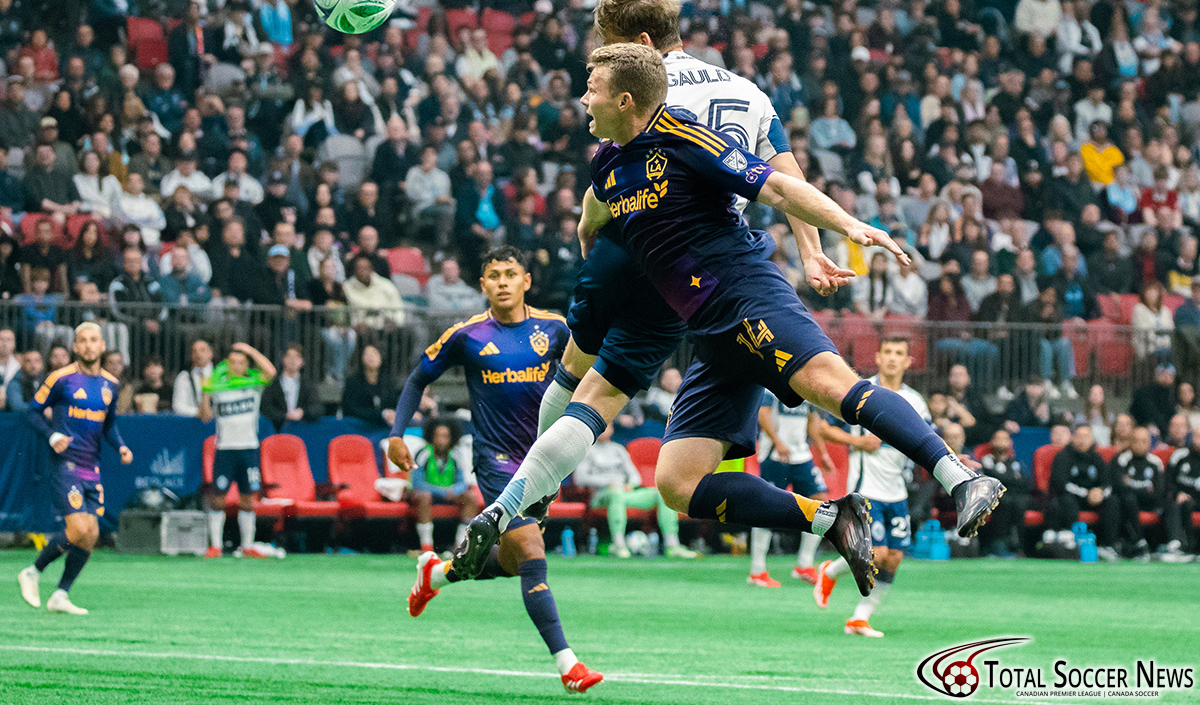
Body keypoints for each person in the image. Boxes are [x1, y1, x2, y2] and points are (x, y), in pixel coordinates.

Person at [461, 40, 1002, 594]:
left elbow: (777, 183)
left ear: (625, 100)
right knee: (678, 482)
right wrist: (585, 232)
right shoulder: (607, 161)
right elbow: (595, 209)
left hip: (747, 296)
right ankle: (833, 518)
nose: (582, 99)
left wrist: (848, 226)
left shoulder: (683, 135)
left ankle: (960, 477)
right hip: (709, 333)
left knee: (834, 388)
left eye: (592, 89)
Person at [387, 247, 603, 693]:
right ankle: (569, 665)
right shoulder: (467, 335)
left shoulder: (557, 328)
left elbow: (590, 376)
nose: (502, 282)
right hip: (497, 461)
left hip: (546, 462)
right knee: (531, 553)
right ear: (482, 285)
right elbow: (417, 379)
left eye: (510, 274)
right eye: (493, 276)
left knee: (509, 561)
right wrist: (396, 433)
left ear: (527, 280)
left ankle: (436, 575)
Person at [812, 337, 925, 638]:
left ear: (907, 362)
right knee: (876, 551)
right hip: (866, 486)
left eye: (899, 353)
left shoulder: (915, 401)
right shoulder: (859, 392)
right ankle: (839, 584)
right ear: (877, 357)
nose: (892, 358)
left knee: (895, 557)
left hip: (896, 488)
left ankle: (858, 615)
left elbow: (928, 438)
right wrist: (857, 441)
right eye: (887, 352)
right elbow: (822, 428)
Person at [18, 323, 132, 615]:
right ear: (75, 347)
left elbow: (109, 423)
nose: (89, 346)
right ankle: (32, 571)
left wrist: (119, 445)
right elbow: (32, 410)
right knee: (78, 528)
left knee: (91, 533)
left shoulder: (111, 384)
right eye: (83, 341)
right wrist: (52, 435)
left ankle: (61, 594)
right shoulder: (61, 378)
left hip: (91, 466)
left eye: (94, 340)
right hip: (64, 462)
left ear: (102, 345)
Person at [199, 342, 276, 558]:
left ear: (246, 366)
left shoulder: (253, 385)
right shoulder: (219, 387)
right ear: (226, 364)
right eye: (232, 362)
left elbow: (270, 371)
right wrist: (206, 391)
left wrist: (250, 350)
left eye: (241, 362)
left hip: (249, 448)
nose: (236, 366)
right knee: (218, 497)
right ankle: (216, 545)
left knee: (248, 498)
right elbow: (205, 417)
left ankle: (247, 545)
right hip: (225, 449)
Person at [574, 425, 696, 560]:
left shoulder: (619, 450)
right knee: (616, 493)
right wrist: (608, 483)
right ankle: (618, 545)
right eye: (602, 425)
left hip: (623, 492)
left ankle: (672, 545)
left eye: (608, 426)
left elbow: (635, 476)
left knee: (661, 494)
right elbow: (581, 478)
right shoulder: (587, 450)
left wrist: (630, 485)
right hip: (600, 496)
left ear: (612, 430)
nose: (604, 429)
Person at [748, 392, 832, 587]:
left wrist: (823, 452)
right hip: (775, 454)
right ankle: (757, 570)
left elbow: (812, 420)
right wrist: (777, 441)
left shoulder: (806, 386)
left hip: (801, 454)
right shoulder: (773, 385)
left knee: (820, 504)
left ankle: (804, 564)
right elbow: (763, 413)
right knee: (767, 509)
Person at [1046, 424, 1119, 561]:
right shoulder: (1063, 456)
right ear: (1072, 438)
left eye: (1086, 437)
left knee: (1112, 501)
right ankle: (1073, 544)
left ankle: (1108, 545)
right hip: (1072, 497)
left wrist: (1100, 493)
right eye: (1079, 436)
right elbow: (1062, 484)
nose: (1082, 440)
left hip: (1094, 499)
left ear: (1092, 440)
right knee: (1067, 500)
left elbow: (1108, 483)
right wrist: (1087, 494)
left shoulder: (1097, 458)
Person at [407, 418, 477, 554]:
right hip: (427, 495)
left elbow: (463, 482)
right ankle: (427, 548)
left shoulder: (456, 455)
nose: (441, 441)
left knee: (470, 498)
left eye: (445, 437)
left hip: (450, 494)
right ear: (431, 437)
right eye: (438, 436)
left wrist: (455, 490)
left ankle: (460, 546)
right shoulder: (423, 454)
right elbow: (417, 482)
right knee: (424, 497)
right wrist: (442, 492)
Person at [976, 429, 1031, 557]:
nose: (1001, 442)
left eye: (1005, 439)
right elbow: (994, 479)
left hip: (1015, 497)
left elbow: (1024, 482)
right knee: (1004, 501)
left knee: (1019, 503)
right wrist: (1012, 479)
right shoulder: (987, 461)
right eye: (998, 438)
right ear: (992, 442)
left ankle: (1018, 546)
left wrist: (1007, 478)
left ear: (1010, 442)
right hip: (994, 497)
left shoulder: (1016, 462)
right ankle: (998, 544)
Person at [1111, 427, 1164, 559]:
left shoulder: (1156, 462)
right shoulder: (1122, 459)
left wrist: (1131, 485)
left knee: (1170, 502)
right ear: (1130, 442)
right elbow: (1119, 487)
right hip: (1127, 505)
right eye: (1136, 441)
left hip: (1149, 503)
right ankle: (1138, 542)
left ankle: (1172, 545)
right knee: (1128, 499)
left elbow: (1159, 491)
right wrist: (1144, 490)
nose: (1140, 444)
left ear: (1149, 443)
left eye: (1144, 441)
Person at [260, 344, 319, 430]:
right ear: (283, 359)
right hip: (277, 430)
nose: (292, 360)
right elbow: (265, 407)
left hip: (303, 429)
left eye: (296, 357)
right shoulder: (273, 383)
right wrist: (284, 416)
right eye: (289, 356)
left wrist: (302, 412)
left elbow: (317, 407)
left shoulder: (308, 384)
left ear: (302, 361)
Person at [340, 343, 395, 427]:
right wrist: (381, 414)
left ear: (381, 357)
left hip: (385, 427)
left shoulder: (388, 381)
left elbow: (394, 404)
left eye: (374, 354)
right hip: (359, 426)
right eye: (367, 354)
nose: (371, 357)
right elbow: (350, 409)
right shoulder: (353, 381)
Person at [1162, 442, 1200, 562]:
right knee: (1176, 503)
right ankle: (1177, 545)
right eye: (1197, 436)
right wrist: (1177, 493)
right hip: (1180, 499)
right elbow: (1168, 480)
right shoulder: (1179, 456)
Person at [172, 339, 213, 417]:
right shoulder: (184, 377)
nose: (198, 354)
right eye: (195, 351)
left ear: (210, 353)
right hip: (192, 422)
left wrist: (212, 413)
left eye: (202, 350)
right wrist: (199, 413)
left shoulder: (220, 376)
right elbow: (178, 406)